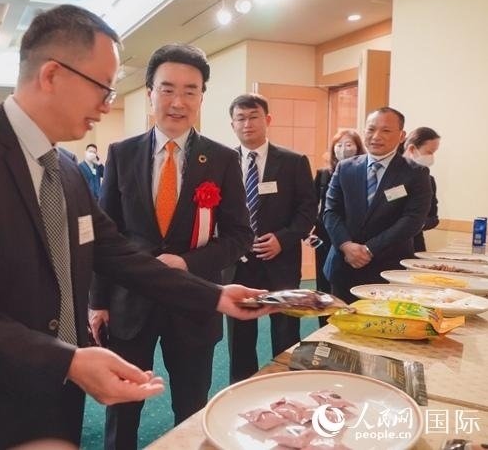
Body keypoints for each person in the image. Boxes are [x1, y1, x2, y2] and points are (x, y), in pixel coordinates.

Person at [0, 5, 274, 450]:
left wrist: (214, 295)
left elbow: (117, 254)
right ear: (52, 74)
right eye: (102, 88)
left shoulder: (67, 170)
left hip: (52, 398)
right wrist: (66, 361)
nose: (107, 104)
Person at [88, 43, 253, 450]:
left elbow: (239, 235)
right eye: (167, 89)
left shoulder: (221, 159)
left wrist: (186, 262)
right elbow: (105, 235)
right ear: (150, 94)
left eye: (190, 91)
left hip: (194, 303)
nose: (178, 102)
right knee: (122, 407)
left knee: (192, 407)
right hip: (130, 303)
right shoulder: (121, 154)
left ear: (201, 97)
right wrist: (98, 301)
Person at [226, 93, 318, 383]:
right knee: (240, 337)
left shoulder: (293, 161)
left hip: (281, 262)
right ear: (232, 124)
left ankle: (287, 384)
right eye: (240, 118)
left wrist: (283, 239)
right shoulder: (222, 162)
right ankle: (242, 387)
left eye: (253, 117)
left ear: (267, 120)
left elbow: (307, 210)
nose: (247, 124)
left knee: (286, 331)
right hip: (238, 264)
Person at [323, 107, 432, 303]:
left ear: (402, 136)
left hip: (389, 269)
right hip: (344, 265)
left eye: (386, 130)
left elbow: (413, 220)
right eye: (371, 129)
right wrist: (346, 246)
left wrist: (369, 249)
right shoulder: (345, 168)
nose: (376, 136)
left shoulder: (416, 173)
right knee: (341, 319)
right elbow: (331, 212)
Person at [312, 130, 364, 326]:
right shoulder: (323, 173)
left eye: (349, 144)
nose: (343, 149)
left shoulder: (363, 173)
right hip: (324, 236)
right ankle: (324, 324)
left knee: (348, 283)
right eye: (339, 145)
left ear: (358, 147)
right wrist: (308, 232)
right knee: (324, 284)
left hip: (352, 236)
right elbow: (312, 204)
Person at [401, 127, 441, 252]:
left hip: (415, 246)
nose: (432, 157)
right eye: (429, 152)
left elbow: (434, 218)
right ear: (412, 149)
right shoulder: (390, 176)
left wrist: (418, 223)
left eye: (434, 153)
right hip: (385, 246)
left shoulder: (428, 180)